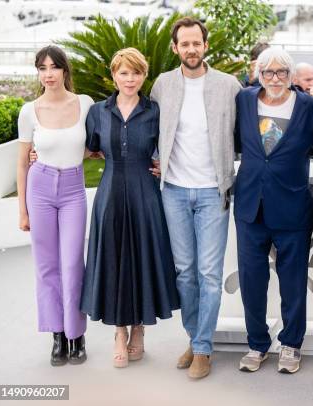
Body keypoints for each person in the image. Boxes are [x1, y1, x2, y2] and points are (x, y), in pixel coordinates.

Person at [149, 16, 242, 379]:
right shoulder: (162, 85)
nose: (191, 49)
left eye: (196, 43)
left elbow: (248, 128)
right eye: (184, 44)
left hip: (212, 192)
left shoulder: (228, 85)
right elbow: (146, 125)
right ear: (176, 48)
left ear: (205, 46)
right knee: (185, 273)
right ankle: (195, 336)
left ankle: (203, 348)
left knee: (208, 272)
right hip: (173, 190)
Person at [79, 48, 179, 368]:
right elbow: (88, 149)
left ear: (144, 76)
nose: (130, 79)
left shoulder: (155, 111)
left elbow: (173, 145)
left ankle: (139, 329)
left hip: (144, 194)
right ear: (114, 76)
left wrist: (166, 165)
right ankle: (118, 332)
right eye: (124, 72)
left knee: (141, 259)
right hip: (109, 193)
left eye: (136, 72)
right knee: (113, 259)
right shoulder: (97, 111)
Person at [233, 48, 313, 374]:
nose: (275, 79)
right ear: (258, 74)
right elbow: (229, 140)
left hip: (292, 206)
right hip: (250, 206)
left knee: (293, 281)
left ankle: (291, 344)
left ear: (291, 76)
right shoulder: (244, 100)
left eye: (282, 73)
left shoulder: (307, 106)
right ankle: (257, 343)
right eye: (268, 72)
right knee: (251, 281)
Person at [17, 45, 93, 367]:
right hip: (41, 188)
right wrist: (22, 210)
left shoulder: (86, 105)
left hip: (74, 188)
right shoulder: (29, 111)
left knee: (73, 262)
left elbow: (93, 147)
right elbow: (22, 164)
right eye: (42, 68)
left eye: (54, 67)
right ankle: (57, 336)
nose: (48, 74)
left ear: (65, 70)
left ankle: (77, 334)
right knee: (47, 266)